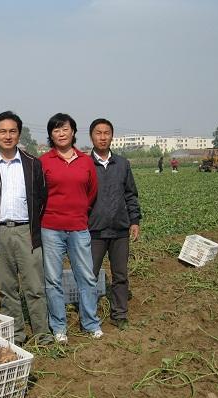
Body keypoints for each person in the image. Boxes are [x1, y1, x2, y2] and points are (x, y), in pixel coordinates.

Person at [0, 111, 52, 346]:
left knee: (35, 286)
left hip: (27, 232)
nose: (8, 136)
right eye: (3, 131)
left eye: (12, 131)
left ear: (19, 134)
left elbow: (42, 198)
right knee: (7, 289)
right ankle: (16, 335)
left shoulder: (32, 164)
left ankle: (42, 333)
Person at [39, 113, 102, 343]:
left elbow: (91, 192)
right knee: (53, 279)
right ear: (51, 135)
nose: (61, 133)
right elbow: (39, 194)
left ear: (73, 132)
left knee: (86, 276)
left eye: (65, 129)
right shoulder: (44, 162)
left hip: (78, 226)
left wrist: (79, 211)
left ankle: (91, 323)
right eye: (56, 130)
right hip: (51, 227)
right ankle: (58, 327)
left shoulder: (85, 161)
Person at [88, 119, 141, 330]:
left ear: (112, 136)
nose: (102, 137)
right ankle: (89, 316)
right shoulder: (85, 164)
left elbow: (131, 194)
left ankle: (119, 314)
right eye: (98, 133)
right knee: (89, 275)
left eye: (106, 133)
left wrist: (134, 221)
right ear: (92, 136)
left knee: (120, 274)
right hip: (94, 231)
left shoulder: (122, 164)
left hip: (120, 229)